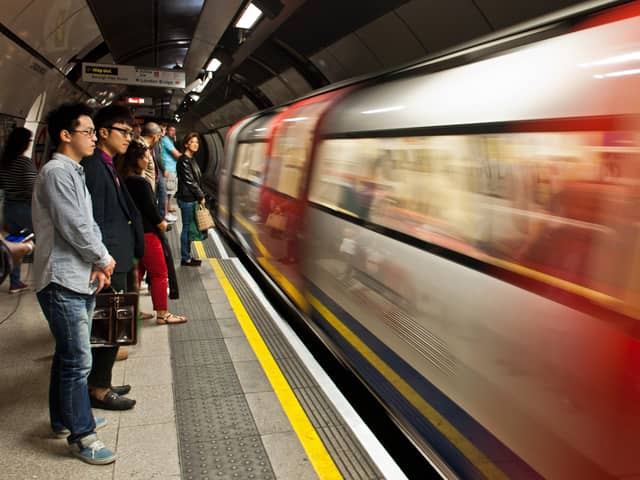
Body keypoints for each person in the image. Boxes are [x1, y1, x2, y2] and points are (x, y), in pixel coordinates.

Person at [32, 102, 116, 464]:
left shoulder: (74, 171)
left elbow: (89, 224)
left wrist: (100, 262)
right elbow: (74, 227)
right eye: (88, 132)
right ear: (65, 136)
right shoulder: (56, 173)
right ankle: (82, 437)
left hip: (79, 276)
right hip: (61, 279)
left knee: (68, 357)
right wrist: (103, 258)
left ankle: (63, 419)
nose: (95, 138)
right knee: (78, 361)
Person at [82, 105, 143, 411]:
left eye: (131, 133)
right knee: (108, 327)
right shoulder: (94, 167)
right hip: (109, 260)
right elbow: (91, 219)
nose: (129, 139)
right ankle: (99, 389)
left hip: (117, 256)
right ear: (103, 132)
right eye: (124, 132)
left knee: (114, 326)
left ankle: (101, 379)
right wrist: (101, 260)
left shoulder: (107, 163)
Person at [119, 139, 187, 324]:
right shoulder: (140, 183)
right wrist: (162, 224)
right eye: (146, 157)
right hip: (148, 235)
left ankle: (133, 312)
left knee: (137, 274)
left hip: (132, 234)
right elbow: (151, 210)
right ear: (138, 160)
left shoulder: (123, 180)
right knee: (159, 273)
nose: (148, 160)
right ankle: (163, 314)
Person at [0, 127, 37, 293]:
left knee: (15, 243)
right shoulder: (24, 162)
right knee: (43, 239)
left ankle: (15, 282)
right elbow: (33, 185)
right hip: (24, 208)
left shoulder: (4, 161)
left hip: (9, 208)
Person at [176, 132, 205, 267]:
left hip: (190, 198)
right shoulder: (183, 160)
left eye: (197, 142)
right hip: (187, 199)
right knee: (187, 228)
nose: (195, 144)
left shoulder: (191, 159)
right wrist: (201, 196)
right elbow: (190, 181)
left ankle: (187, 255)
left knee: (189, 228)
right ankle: (186, 258)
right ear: (186, 144)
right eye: (192, 142)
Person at [160, 124, 181, 221]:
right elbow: (176, 155)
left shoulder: (170, 141)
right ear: (167, 131)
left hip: (171, 169)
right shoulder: (166, 140)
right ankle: (166, 214)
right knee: (167, 193)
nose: (173, 132)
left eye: (174, 131)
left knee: (169, 193)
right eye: (171, 130)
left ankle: (168, 209)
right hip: (169, 169)